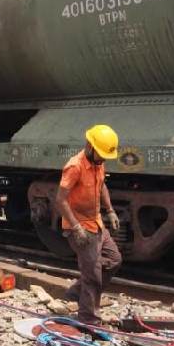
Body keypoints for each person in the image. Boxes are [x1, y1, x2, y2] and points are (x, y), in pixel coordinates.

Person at [55, 124, 123, 325]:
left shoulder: (98, 163)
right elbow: (60, 199)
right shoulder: (74, 166)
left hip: (96, 223)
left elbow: (101, 186)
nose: (103, 159)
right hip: (80, 227)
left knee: (114, 259)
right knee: (93, 276)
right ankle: (88, 320)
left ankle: (77, 292)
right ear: (90, 146)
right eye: (101, 154)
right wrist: (76, 227)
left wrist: (110, 210)